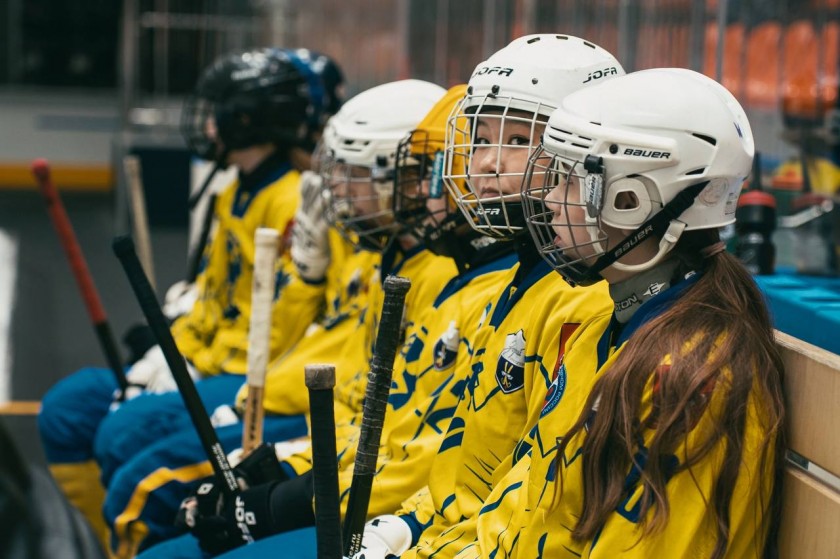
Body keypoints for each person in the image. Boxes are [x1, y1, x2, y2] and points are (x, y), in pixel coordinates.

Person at [109, 78, 455, 557]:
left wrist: (276, 429)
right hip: (332, 434)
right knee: (122, 444)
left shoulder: (437, 275)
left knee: (138, 471)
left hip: (365, 468)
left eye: (353, 174)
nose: (336, 192)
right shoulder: (393, 254)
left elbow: (398, 417)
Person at [468, 68, 786, 558]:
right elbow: (524, 513)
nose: (549, 200)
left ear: (632, 201)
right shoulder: (605, 329)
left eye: (569, 182)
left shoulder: (692, 384)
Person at [348, 34, 619, 559]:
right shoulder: (523, 280)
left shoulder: (581, 299)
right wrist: (405, 525)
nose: (488, 163)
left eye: (518, 141)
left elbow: (536, 501)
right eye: (480, 139)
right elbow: (470, 457)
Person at [37, 47, 317, 552]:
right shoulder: (235, 191)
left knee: (124, 439)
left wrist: (195, 365)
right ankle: (98, 539)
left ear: (250, 117)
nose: (208, 123)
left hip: (248, 374)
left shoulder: (292, 202)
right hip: (211, 358)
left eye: (219, 111)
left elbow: (276, 330)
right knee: (68, 408)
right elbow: (214, 301)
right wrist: (168, 347)